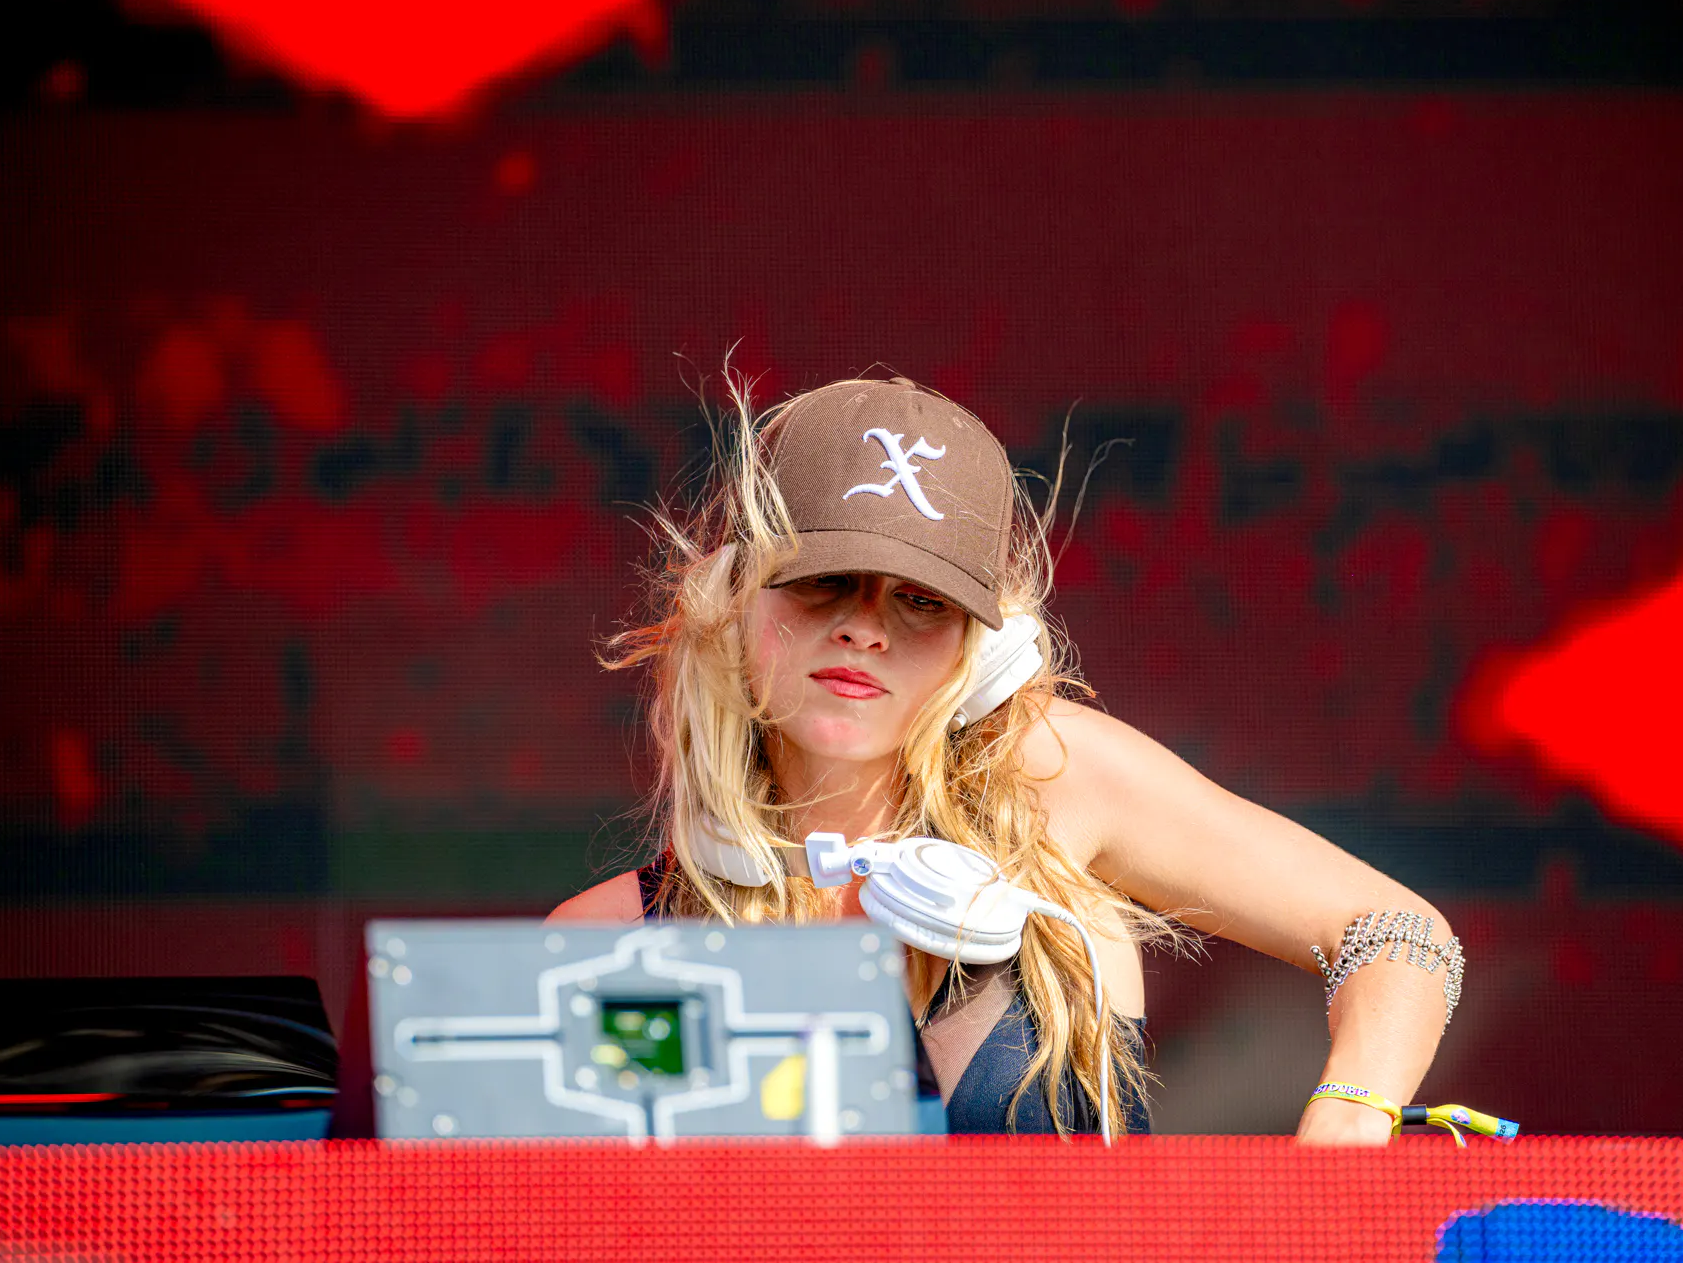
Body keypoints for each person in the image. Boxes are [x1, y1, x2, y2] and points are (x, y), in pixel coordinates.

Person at [550, 376, 1460, 1143]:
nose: (864, 628)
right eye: (823, 579)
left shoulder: (1054, 779)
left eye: (921, 600)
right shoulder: (604, 940)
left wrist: (1348, 1121)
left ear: (985, 651)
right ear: (735, 597)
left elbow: (1398, 933)